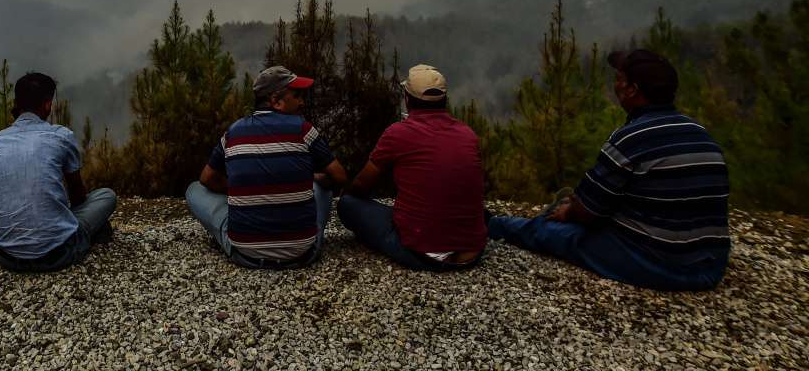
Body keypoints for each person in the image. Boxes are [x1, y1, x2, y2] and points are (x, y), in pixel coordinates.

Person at [488, 49, 731, 290]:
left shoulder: (630, 138)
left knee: (553, 230)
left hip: (659, 266)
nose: (615, 86)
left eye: (619, 80)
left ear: (633, 90)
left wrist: (568, 212)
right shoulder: (702, 135)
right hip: (710, 268)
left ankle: (491, 224)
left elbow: (587, 213)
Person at [185, 65, 347, 269]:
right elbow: (340, 177)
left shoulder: (233, 133)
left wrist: (240, 190)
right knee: (320, 188)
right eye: (296, 95)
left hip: (245, 254)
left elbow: (207, 179)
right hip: (302, 253)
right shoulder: (304, 130)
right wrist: (314, 179)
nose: (302, 102)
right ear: (276, 101)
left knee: (194, 190)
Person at [338, 64, 486, 270]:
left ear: (408, 100)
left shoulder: (398, 133)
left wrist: (349, 193)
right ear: (444, 100)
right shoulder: (468, 134)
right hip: (472, 253)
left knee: (347, 205)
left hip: (423, 252)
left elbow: (362, 183)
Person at [0, 72, 116, 272]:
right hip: (57, 254)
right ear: (47, 105)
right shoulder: (61, 136)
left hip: (6, 256)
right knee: (107, 196)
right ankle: (85, 235)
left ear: (17, 103)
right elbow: (78, 196)